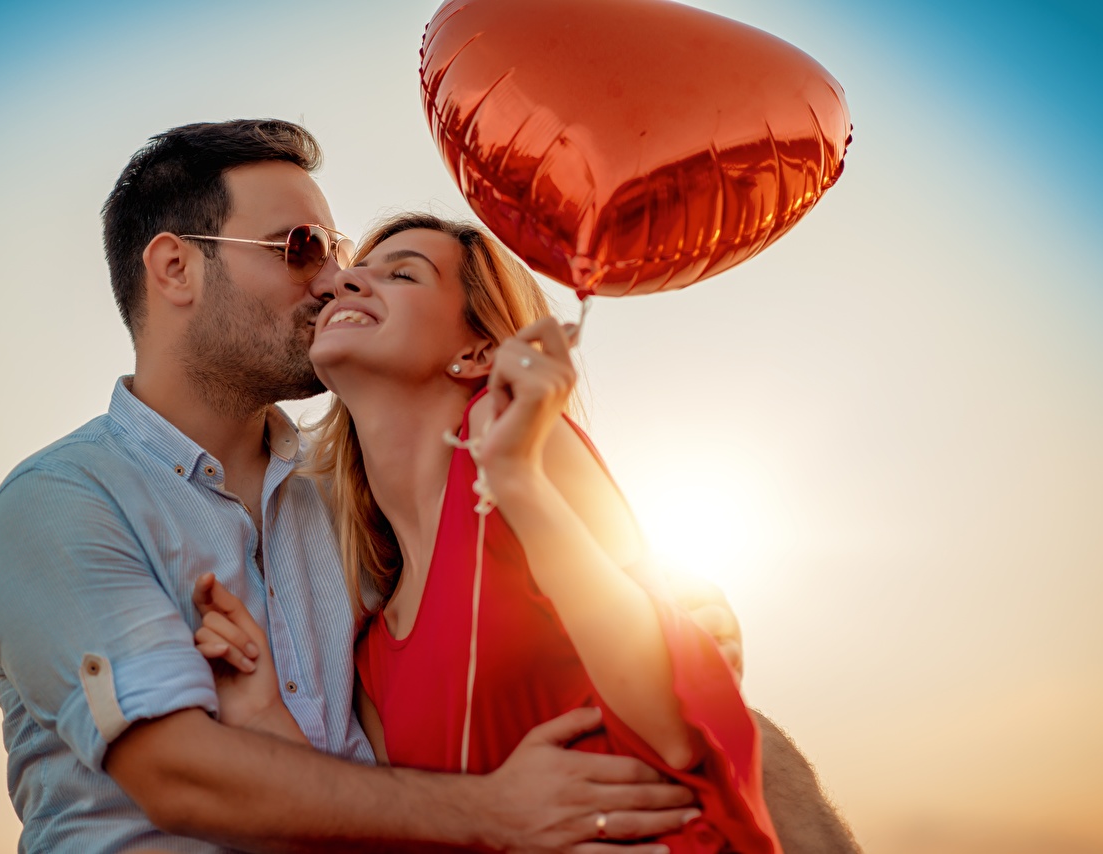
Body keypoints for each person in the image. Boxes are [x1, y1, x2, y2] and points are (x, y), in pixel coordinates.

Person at [0, 118, 859, 853]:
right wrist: (497, 816)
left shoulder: (351, 515)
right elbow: (176, 774)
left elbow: (561, 654)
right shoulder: (64, 503)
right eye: (301, 248)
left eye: (343, 254)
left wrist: (671, 612)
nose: (331, 280)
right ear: (174, 268)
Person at [190, 213, 779, 853]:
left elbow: (670, 727)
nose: (345, 282)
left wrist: (516, 476)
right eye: (354, 271)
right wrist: (260, 712)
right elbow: (389, 832)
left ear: (476, 353)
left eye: (402, 273)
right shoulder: (373, 648)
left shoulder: (530, 454)